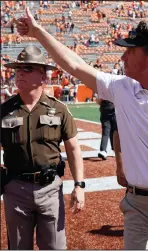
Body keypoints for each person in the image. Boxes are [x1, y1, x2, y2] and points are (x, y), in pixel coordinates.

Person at [16, 10, 148, 249]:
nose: (123, 57)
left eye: (130, 51)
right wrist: (37, 31)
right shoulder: (121, 88)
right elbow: (74, 65)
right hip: (137, 205)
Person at [1, 45, 85, 250]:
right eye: (18, 69)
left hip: (50, 189)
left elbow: (73, 148)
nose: (20, 73)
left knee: (55, 247)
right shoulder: (4, 110)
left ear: (43, 77)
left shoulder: (58, 109)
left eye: (27, 69)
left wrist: (79, 185)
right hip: (16, 189)